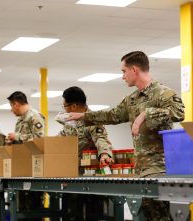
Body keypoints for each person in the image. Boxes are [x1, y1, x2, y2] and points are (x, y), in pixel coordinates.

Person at [67, 51, 185, 220]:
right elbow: (113, 115)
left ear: (134, 69)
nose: (122, 76)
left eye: (124, 71)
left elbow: (179, 112)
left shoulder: (162, 93)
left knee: (162, 216)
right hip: (141, 170)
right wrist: (84, 116)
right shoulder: (132, 99)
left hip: (159, 169)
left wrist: (146, 114)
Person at [57, 86, 114, 220]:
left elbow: (101, 138)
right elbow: (61, 137)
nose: (64, 109)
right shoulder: (69, 121)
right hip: (72, 174)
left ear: (74, 106)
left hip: (91, 176)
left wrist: (105, 154)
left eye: (65, 106)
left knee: (93, 212)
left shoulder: (92, 120)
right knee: (71, 212)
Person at [6, 91, 45, 215]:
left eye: (11, 106)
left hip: (33, 168)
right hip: (22, 166)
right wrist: (12, 141)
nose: (11, 110)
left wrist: (17, 136)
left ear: (16, 104)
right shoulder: (20, 120)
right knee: (21, 206)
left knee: (32, 207)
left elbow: (40, 139)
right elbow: (21, 141)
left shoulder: (35, 116)